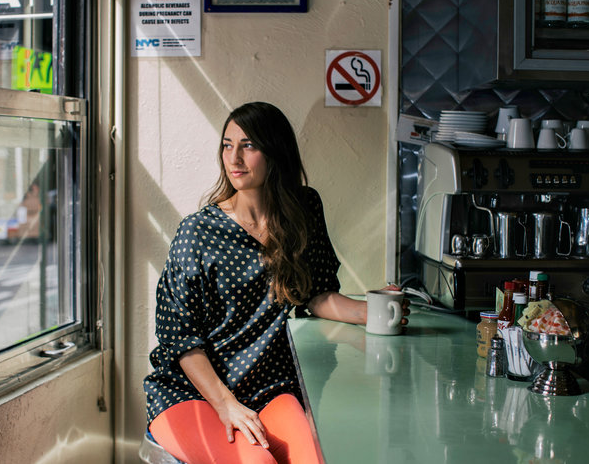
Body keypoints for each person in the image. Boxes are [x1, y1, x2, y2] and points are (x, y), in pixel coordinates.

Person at [143, 102, 410, 464]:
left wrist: (372, 312)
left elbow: (315, 294)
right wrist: (226, 405)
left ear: (275, 152)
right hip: (194, 392)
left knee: (314, 459)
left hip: (270, 386)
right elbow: (180, 337)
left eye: (248, 145)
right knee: (261, 463)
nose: (233, 157)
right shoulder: (198, 232)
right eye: (226, 144)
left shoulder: (304, 210)